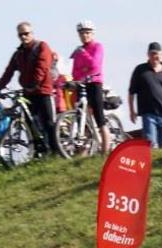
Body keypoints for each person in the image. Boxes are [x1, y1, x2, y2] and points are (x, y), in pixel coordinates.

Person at [0, 21, 59, 155]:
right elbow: (8, 72)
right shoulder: (19, 54)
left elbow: (42, 67)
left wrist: (34, 84)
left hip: (43, 91)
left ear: (32, 33)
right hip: (28, 93)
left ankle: (55, 152)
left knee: (48, 123)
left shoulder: (42, 46)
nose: (24, 37)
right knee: (29, 124)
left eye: (26, 33)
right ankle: (38, 151)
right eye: (20, 35)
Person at [128, 42, 162, 149]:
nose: (155, 56)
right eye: (152, 54)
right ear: (148, 55)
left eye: (157, 54)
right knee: (149, 142)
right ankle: (149, 163)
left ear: (161, 55)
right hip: (148, 113)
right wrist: (132, 111)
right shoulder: (140, 70)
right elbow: (131, 92)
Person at [70, 20, 111, 153]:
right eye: (82, 33)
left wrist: (83, 54)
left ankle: (105, 153)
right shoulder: (78, 51)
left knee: (99, 119)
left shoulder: (98, 47)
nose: (85, 36)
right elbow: (75, 72)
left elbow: (94, 65)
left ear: (92, 34)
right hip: (83, 85)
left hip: (95, 84)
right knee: (83, 118)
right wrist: (81, 74)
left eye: (87, 33)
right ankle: (83, 153)